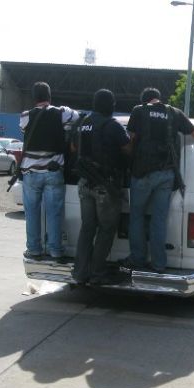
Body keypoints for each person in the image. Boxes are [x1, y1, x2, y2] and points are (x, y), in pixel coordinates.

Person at [121, 87, 194, 272]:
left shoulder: (138, 111)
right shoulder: (174, 113)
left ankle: (137, 259)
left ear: (144, 100)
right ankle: (159, 263)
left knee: (136, 216)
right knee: (159, 220)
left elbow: (131, 139)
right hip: (167, 175)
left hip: (142, 173)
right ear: (158, 98)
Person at [71, 89, 131, 285]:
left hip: (84, 183)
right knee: (106, 229)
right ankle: (98, 273)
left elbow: (73, 147)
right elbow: (128, 149)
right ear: (111, 106)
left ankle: (80, 273)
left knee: (87, 228)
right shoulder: (113, 125)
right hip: (105, 185)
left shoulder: (83, 123)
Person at [19, 81, 79, 263]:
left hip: (30, 173)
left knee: (32, 213)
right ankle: (56, 251)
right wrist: (62, 108)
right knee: (54, 213)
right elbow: (76, 116)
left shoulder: (25, 116)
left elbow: (23, 129)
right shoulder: (61, 113)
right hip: (53, 172)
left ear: (34, 98)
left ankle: (34, 250)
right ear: (49, 96)